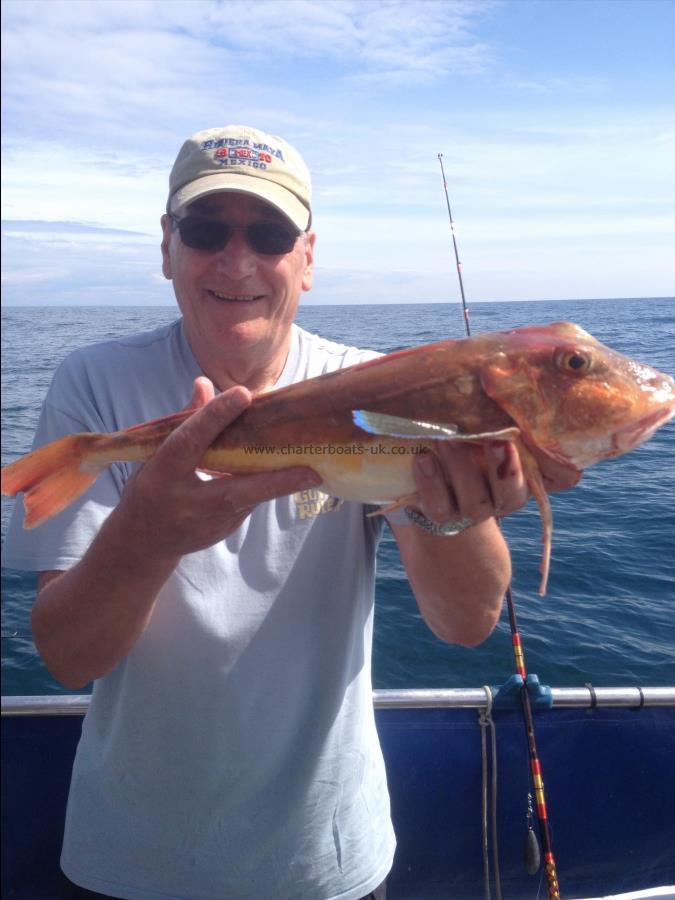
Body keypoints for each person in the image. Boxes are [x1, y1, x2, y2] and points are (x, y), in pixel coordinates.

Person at [3, 124, 567, 900]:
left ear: (307, 256)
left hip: (324, 857)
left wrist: (448, 512)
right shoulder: (96, 382)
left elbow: (465, 623)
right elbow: (68, 658)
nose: (238, 263)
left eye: (268, 235)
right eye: (206, 231)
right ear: (166, 245)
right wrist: (149, 533)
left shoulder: (374, 385)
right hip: (130, 856)